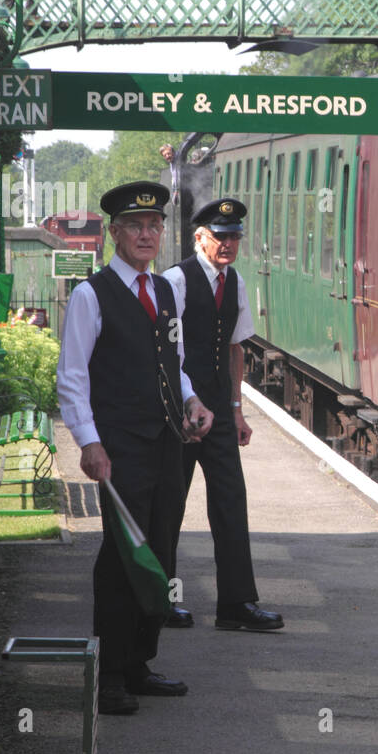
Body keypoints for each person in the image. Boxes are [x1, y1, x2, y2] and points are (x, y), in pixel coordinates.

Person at [56, 180, 214, 715]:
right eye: (135, 227)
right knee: (124, 556)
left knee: (162, 550)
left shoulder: (165, 290)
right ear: (116, 234)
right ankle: (110, 674)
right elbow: (72, 378)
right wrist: (89, 442)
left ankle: (141, 660)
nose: (147, 234)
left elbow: (176, 362)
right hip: (119, 447)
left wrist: (193, 402)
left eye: (154, 226)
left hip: (169, 440)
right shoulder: (90, 294)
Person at [162, 198, 284, 633]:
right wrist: (183, 404)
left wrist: (237, 409)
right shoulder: (175, 281)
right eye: (221, 236)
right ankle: (161, 601)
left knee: (231, 503)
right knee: (168, 506)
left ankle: (236, 604)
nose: (229, 243)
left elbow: (235, 348)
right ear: (200, 237)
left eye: (234, 237)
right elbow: (165, 350)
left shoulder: (235, 283)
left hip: (219, 412)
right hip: (178, 411)